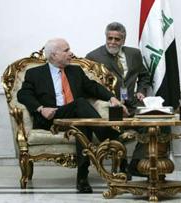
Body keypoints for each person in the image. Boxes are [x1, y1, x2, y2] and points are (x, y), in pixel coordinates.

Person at [17, 38, 129, 193]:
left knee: (82, 125)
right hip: (52, 117)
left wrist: (112, 97)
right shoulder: (34, 73)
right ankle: (113, 139)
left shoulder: (75, 71)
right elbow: (23, 95)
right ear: (54, 55)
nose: (71, 53)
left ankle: (82, 178)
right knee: (81, 103)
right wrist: (41, 108)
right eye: (66, 50)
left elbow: (92, 87)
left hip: (75, 117)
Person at [86, 22, 151, 177]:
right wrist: (109, 100)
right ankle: (122, 166)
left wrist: (141, 91)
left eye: (117, 39)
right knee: (116, 128)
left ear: (123, 40)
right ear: (106, 37)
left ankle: (135, 164)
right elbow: (89, 86)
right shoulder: (93, 57)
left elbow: (144, 75)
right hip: (110, 105)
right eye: (110, 38)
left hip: (132, 102)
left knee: (152, 124)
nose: (113, 42)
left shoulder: (134, 54)